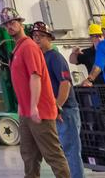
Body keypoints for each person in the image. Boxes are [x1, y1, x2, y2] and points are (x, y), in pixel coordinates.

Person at [5, 13, 70, 178]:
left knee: (52, 155)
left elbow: (35, 76)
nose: (9, 26)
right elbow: (22, 80)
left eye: (12, 22)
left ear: (20, 23)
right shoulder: (18, 48)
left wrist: (34, 106)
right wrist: (22, 104)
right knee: (29, 156)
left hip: (39, 111)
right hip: (27, 112)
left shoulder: (29, 47)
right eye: (6, 24)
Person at [36, 23, 83, 178]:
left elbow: (65, 83)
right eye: (35, 36)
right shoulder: (41, 58)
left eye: (41, 36)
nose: (37, 39)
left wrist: (58, 106)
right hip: (54, 111)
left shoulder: (55, 57)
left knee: (70, 150)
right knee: (60, 151)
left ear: (49, 38)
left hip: (66, 110)